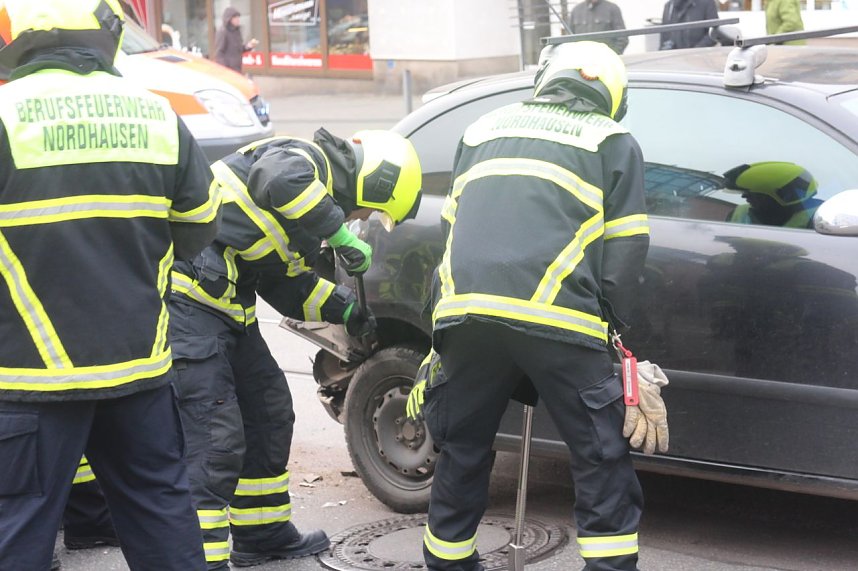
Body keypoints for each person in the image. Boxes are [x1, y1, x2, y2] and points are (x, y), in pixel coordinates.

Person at [410, 40, 659, 571]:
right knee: (599, 457)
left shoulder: (484, 128)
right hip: (559, 319)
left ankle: (449, 563)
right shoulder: (612, 141)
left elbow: (453, 230)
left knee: (464, 449)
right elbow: (626, 250)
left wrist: (443, 330)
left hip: (467, 314)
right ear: (612, 93)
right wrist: (612, 332)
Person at [0, 0, 221, 570]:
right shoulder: (156, 115)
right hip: (138, 367)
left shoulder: (5, 114)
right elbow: (199, 226)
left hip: (30, 375)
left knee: (18, 528)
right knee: (161, 514)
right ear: (105, 37)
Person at [169, 128, 422, 569]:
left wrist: (345, 310)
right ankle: (198, 558)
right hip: (186, 304)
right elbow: (277, 176)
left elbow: (284, 284)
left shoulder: (304, 211)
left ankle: (261, 532)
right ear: (374, 182)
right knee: (214, 434)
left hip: (226, 312)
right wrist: (340, 240)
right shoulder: (304, 159)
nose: (356, 220)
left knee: (268, 409)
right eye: (368, 210)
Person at [724, 162, 822, 228]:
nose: (744, 197)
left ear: (784, 195)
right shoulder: (739, 213)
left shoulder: (820, 218)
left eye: (753, 194)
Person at [214, 6, 258, 73]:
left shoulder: (237, 31)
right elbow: (219, 53)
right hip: (228, 70)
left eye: (238, 17)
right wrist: (225, 70)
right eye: (235, 18)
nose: (238, 20)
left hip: (238, 68)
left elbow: (238, 49)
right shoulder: (223, 32)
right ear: (229, 19)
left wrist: (248, 46)